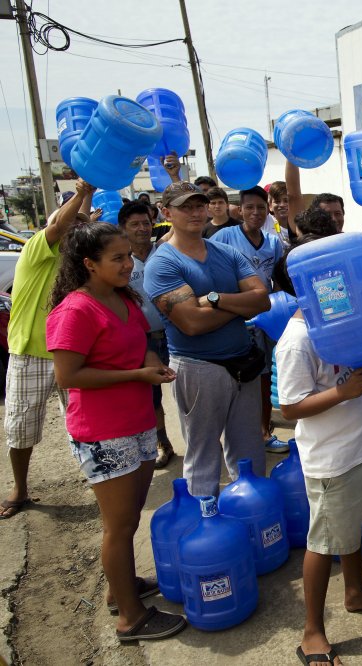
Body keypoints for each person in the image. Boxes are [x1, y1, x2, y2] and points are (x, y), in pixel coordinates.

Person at [46, 222, 187, 642]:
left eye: (129, 255)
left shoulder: (123, 295)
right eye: (118, 258)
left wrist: (150, 367)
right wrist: (135, 374)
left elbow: (141, 340)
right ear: (89, 264)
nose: (129, 264)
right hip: (103, 433)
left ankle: (119, 589)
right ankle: (130, 618)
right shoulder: (75, 310)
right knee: (120, 526)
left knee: (128, 516)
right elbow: (68, 375)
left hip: (137, 422)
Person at [275, 233, 362, 666]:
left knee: (351, 530)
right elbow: (291, 406)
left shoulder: (345, 321)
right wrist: (344, 391)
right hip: (331, 457)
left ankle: (356, 592)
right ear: (303, 285)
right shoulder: (297, 340)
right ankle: (312, 630)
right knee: (323, 542)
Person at [143, 181, 270, 497]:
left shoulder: (225, 251)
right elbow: (192, 324)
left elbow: (263, 300)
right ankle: (205, 524)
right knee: (203, 457)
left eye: (199, 205)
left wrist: (213, 298)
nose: (195, 213)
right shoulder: (162, 263)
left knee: (249, 453)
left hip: (242, 364)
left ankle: (252, 516)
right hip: (199, 368)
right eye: (186, 207)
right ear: (166, 212)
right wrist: (239, 305)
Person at [2, 180, 92, 519]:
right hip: (32, 352)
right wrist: (83, 192)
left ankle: (98, 479)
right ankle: (20, 488)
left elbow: (79, 222)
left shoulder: (77, 260)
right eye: (71, 226)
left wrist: (89, 196)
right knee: (22, 425)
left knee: (84, 420)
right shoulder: (37, 249)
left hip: (72, 351)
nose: (74, 232)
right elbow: (60, 224)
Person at [212, 186, 287, 454]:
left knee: (264, 377)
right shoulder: (223, 237)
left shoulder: (273, 241)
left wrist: (281, 312)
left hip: (266, 319)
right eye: (249, 207)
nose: (255, 212)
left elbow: (278, 281)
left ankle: (264, 432)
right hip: (234, 319)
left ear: (267, 208)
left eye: (260, 207)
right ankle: (232, 437)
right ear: (239, 209)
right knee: (234, 380)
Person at [119, 202, 176, 468]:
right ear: (123, 229)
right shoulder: (120, 261)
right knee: (152, 397)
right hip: (142, 340)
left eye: (145, 223)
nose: (142, 229)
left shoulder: (164, 252)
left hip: (174, 333)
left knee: (185, 389)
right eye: (135, 224)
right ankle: (162, 443)